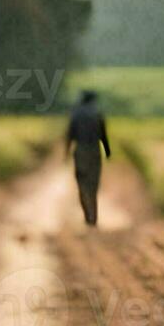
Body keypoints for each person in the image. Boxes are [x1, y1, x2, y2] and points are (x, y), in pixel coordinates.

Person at [66, 90, 110, 226]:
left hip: (81, 150)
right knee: (93, 183)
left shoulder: (76, 114)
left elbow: (70, 135)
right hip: (94, 151)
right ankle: (93, 217)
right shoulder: (98, 114)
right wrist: (107, 151)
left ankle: (87, 215)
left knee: (82, 182)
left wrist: (66, 152)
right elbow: (103, 135)